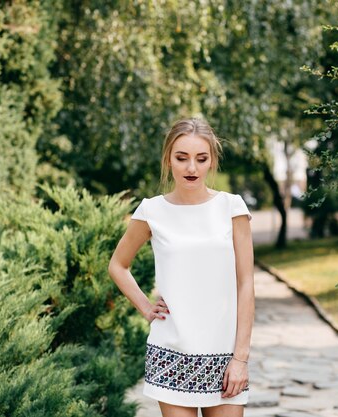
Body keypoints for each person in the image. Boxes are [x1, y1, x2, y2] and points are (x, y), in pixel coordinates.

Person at [108, 117, 255, 417]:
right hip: (171, 351)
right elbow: (118, 265)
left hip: (225, 356)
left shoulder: (232, 207)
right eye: (182, 158)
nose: (191, 168)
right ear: (168, 160)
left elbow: (246, 284)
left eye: (201, 159)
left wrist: (240, 358)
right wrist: (146, 308)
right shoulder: (151, 211)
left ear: (212, 161)